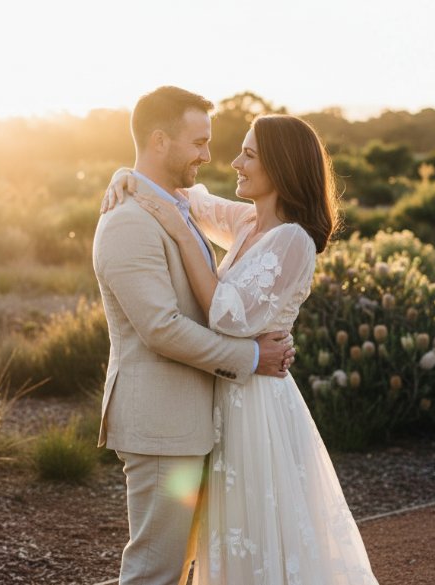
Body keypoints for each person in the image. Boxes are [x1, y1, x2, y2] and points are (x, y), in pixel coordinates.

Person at [102, 112, 381, 584]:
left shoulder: (292, 239)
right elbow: (193, 199)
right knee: (221, 542)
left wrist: (175, 227)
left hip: (257, 405)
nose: (234, 162)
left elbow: (226, 314)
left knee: (260, 534)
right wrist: (126, 175)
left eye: (248, 154)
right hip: (224, 400)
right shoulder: (250, 221)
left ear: (281, 167)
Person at [92, 86, 297, 585]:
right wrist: (250, 356)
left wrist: (126, 175)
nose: (210, 156)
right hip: (162, 426)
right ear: (160, 141)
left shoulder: (179, 205)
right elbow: (162, 330)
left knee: (186, 568)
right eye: (199, 142)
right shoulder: (127, 223)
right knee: (153, 571)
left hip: (195, 423)